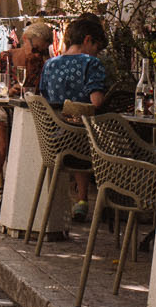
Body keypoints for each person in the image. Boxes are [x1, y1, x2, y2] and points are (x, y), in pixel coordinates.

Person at [36, 13, 111, 218]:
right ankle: (113, 203)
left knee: (77, 128)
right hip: (86, 144)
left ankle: (81, 200)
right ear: (88, 40)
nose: (97, 54)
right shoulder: (90, 63)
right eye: (97, 48)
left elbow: (44, 98)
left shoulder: (49, 64)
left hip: (54, 141)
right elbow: (96, 102)